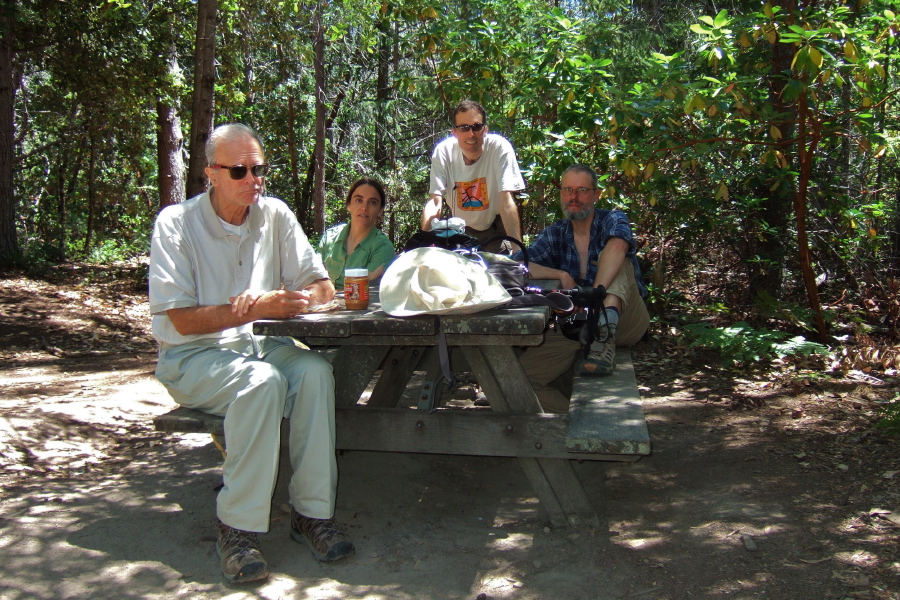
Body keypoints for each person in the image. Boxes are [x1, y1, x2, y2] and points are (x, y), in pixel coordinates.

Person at [148, 123, 354, 583]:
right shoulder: (176, 224)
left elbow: (320, 284)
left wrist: (296, 298)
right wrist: (246, 310)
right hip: (193, 357)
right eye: (239, 170)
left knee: (316, 373)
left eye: (258, 168)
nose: (252, 180)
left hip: (263, 345)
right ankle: (237, 528)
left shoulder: (275, 216)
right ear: (211, 174)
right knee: (262, 383)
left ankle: (312, 513)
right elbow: (180, 319)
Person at [516, 164, 650, 414]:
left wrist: (595, 293)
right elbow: (517, 264)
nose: (573, 197)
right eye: (568, 190)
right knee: (515, 382)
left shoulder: (612, 219)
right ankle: (585, 422)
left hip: (626, 323)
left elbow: (619, 247)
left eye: (582, 190)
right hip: (577, 328)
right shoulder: (556, 233)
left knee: (619, 261)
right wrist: (560, 275)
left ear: (596, 195)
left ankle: (605, 332)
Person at [420, 100, 526, 253]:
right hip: (459, 229)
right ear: (454, 132)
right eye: (464, 128)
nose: (471, 134)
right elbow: (435, 202)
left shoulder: (500, 148)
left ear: (485, 130)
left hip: (496, 229)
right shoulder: (444, 152)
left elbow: (506, 202)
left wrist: (518, 253)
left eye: (476, 127)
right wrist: (422, 243)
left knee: (501, 270)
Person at [317, 177, 396, 288]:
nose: (364, 207)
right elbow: (314, 276)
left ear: (380, 210)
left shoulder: (383, 248)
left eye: (372, 202)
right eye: (359, 200)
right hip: (323, 302)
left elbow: (358, 289)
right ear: (349, 205)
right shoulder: (330, 237)